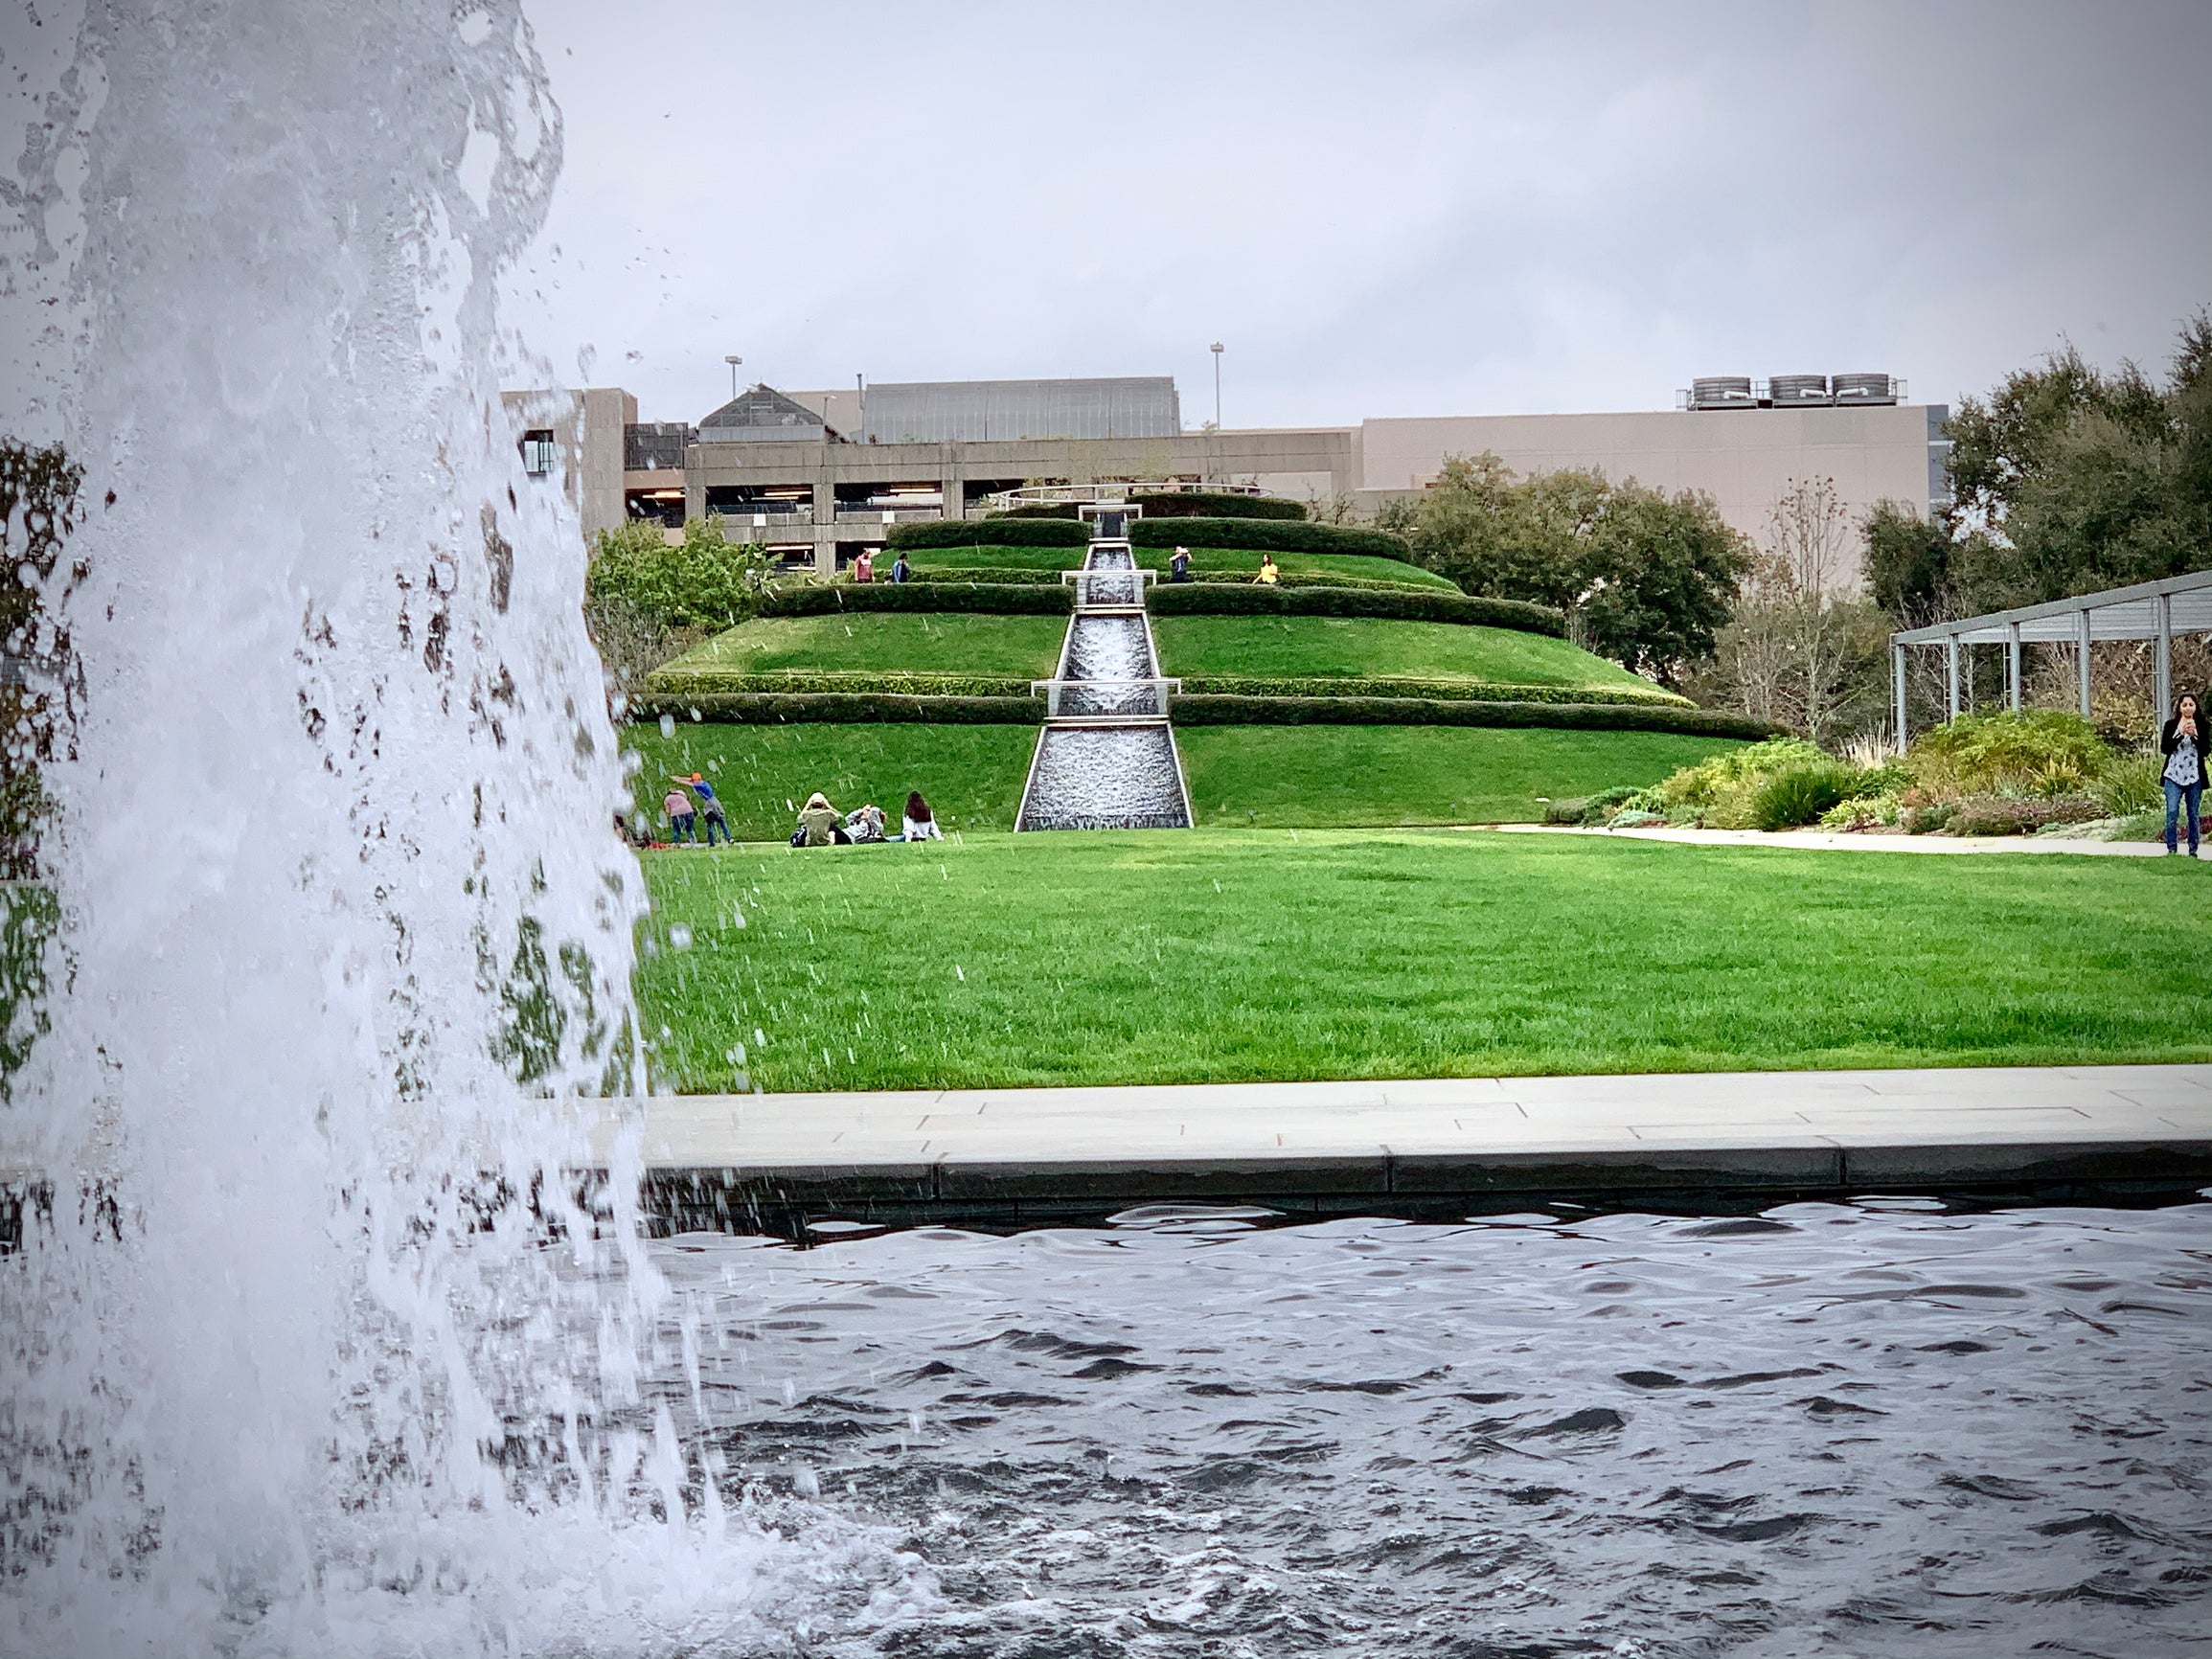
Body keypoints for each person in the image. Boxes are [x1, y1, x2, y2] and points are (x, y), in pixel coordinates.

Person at [2161, 691, 2205, 857]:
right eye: (2184, 704)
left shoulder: (2202, 725)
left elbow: (2206, 750)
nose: (2187, 708)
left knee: (2193, 813)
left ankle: (2193, 850)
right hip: (2173, 775)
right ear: (2179, 707)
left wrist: (2194, 736)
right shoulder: (2170, 725)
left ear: (2195, 707)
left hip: (2194, 775)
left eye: (2191, 705)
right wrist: (2180, 733)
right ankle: (2171, 849)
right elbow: (2165, 748)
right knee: (2172, 811)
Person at [680, 771, 731, 846]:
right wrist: (679, 777)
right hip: (714, 801)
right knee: (721, 821)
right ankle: (729, 837)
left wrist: (678, 780)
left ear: (698, 780)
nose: (693, 781)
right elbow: (690, 780)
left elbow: (689, 783)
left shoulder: (699, 786)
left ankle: (712, 842)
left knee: (711, 824)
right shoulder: (704, 783)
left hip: (710, 804)